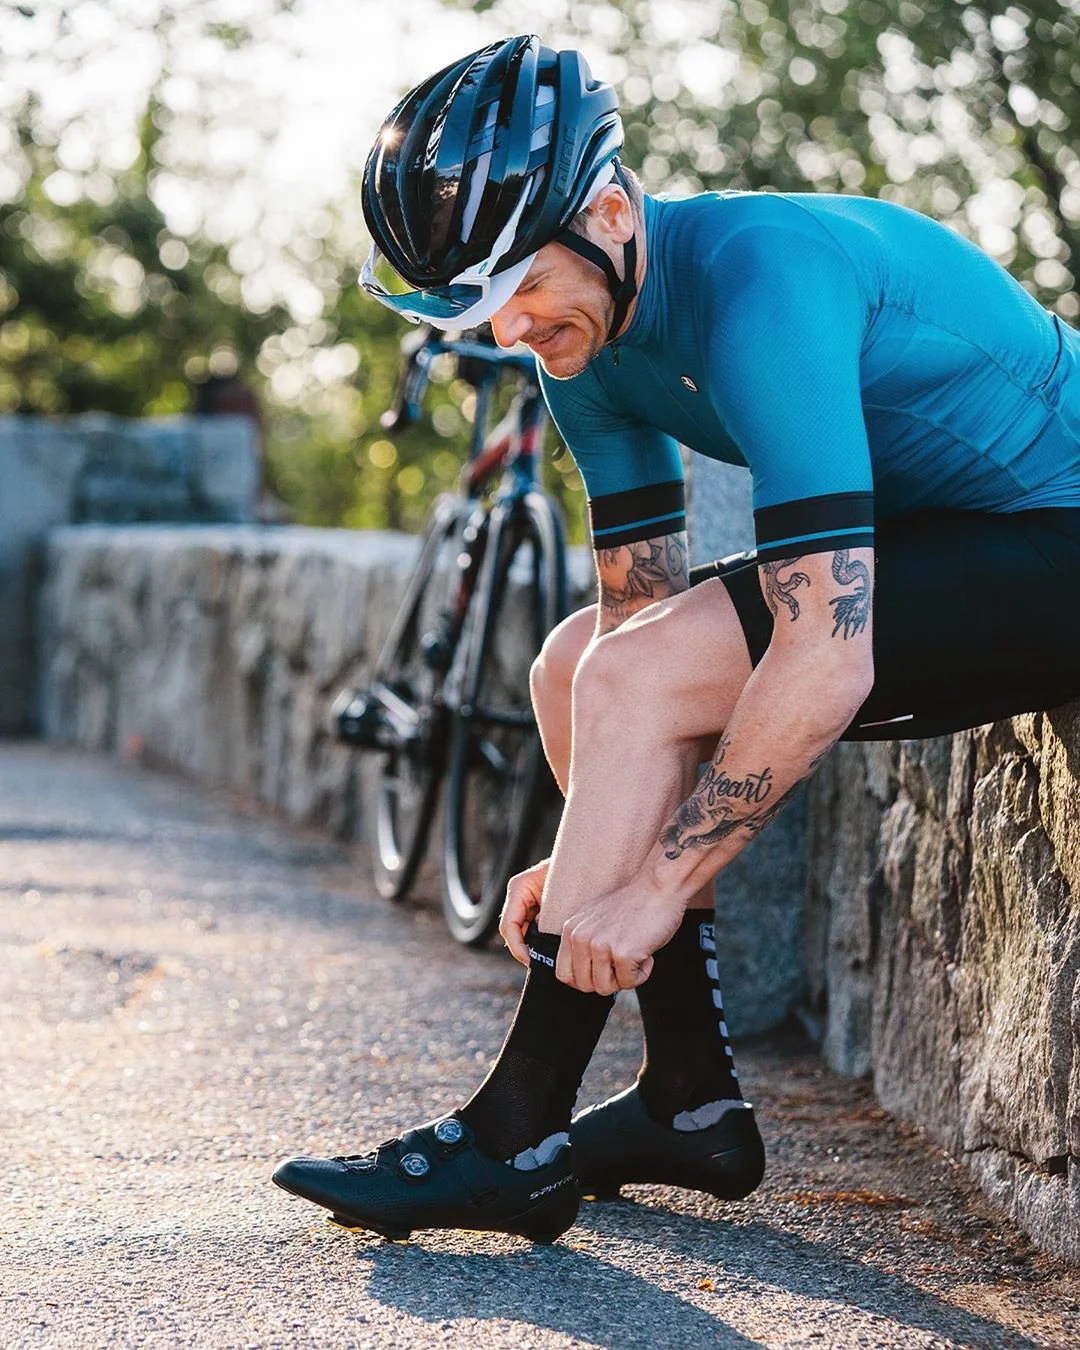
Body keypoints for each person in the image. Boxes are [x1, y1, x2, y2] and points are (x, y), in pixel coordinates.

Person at [272, 34, 1080, 1244]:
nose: (504, 330)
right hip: (944, 546)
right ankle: (689, 1102)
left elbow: (827, 653)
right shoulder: (581, 334)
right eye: (475, 309)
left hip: (1055, 541)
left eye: (514, 289)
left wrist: (649, 887)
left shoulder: (761, 280)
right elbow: (631, 624)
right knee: (570, 665)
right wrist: (594, 838)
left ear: (606, 209)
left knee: (639, 677)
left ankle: (512, 1135)